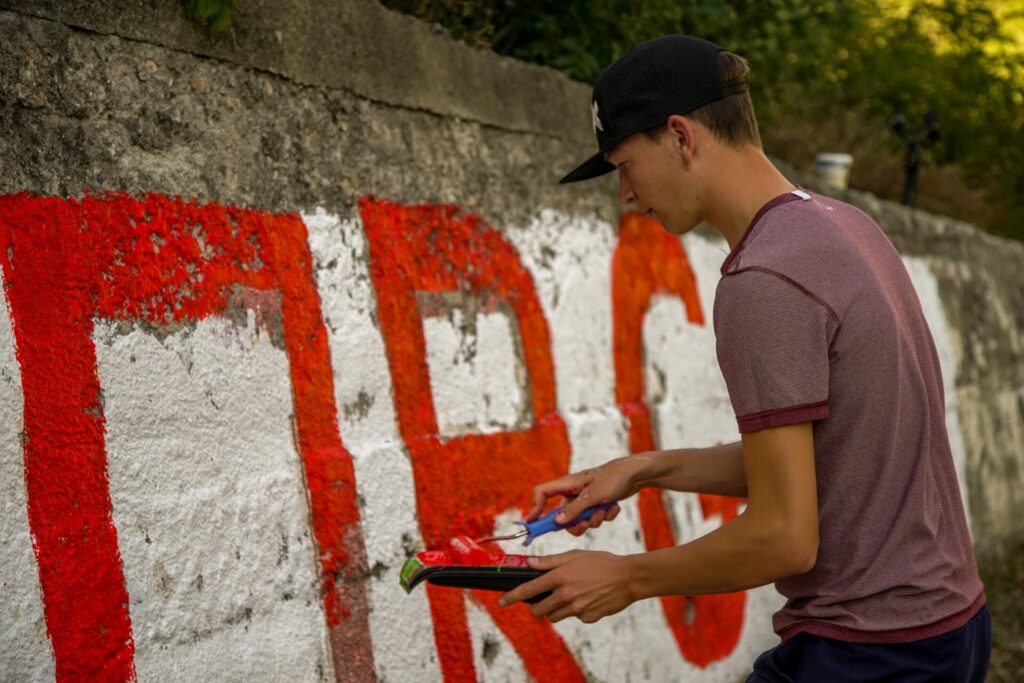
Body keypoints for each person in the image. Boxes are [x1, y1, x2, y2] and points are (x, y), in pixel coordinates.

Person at [498, 35, 990, 682]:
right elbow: (835, 456)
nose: (625, 193)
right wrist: (643, 470)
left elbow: (784, 535)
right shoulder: (847, 226)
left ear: (681, 137)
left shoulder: (763, 278)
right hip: (952, 627)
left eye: (624, 163)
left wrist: (625, 577)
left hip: (869, 650)